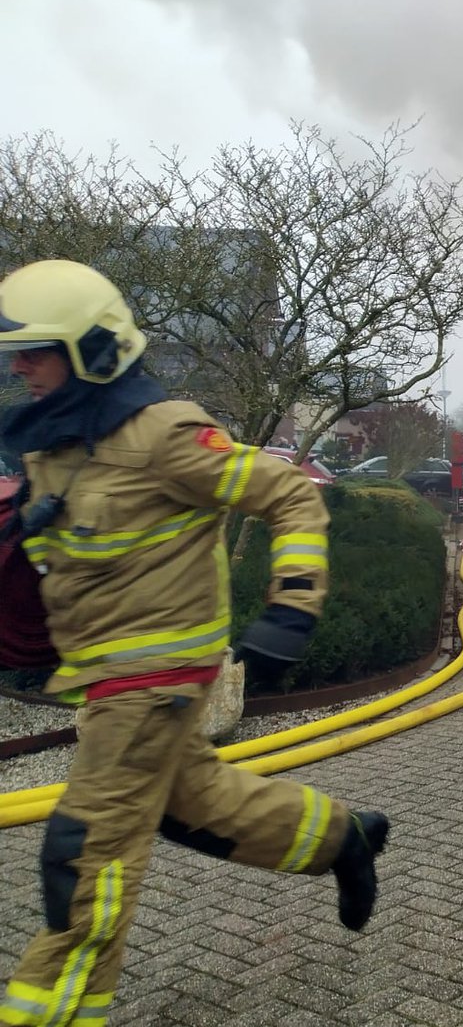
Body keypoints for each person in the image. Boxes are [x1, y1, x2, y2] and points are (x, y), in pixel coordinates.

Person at [0, 260, 389, 1026]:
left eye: (36, 351)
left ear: (94, 351)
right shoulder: (54, 452)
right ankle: (342, 838)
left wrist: (291, 611)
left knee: (85, 859)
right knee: (194, 806)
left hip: (155, 681)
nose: (20, 367)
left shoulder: (165, 435)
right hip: (103, 679)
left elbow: (286, 495)